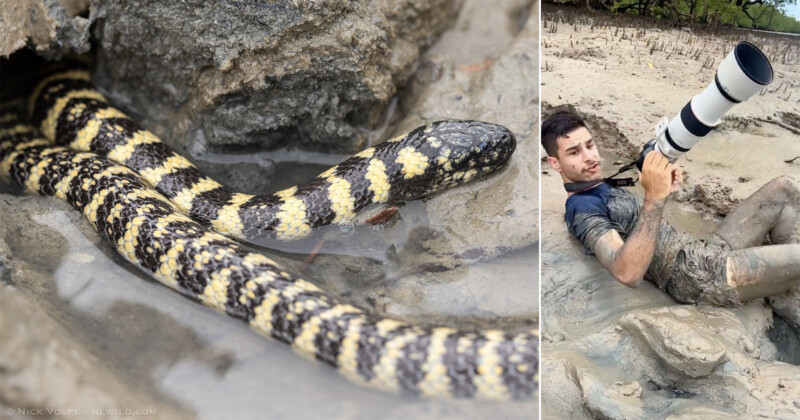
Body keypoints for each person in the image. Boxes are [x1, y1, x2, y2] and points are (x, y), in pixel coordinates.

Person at [542, 109, 800, 326]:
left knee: (784, 187)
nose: (590, 157)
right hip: (699, 279)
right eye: (574, 152)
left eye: (590, 145)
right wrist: (654, 199)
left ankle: (787, 296)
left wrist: (662, 185)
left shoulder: (598, 185)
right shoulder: (582, 209)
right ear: (555, 164)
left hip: (705, 249)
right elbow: (627, 272)